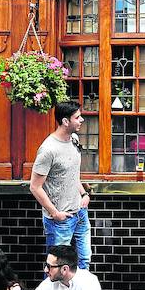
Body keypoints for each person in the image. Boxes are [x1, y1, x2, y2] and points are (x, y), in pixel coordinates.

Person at [29, 100, 92, 269]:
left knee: (84, 261)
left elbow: (72, 174)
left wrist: (84, 194)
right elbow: (34, 186)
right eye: (77, 117)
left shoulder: (74, 139)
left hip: (80, 212)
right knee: (55, 267)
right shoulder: (48, 149)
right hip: (60, 219)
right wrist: (55, 213)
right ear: (65, 121)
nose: (82, 120)